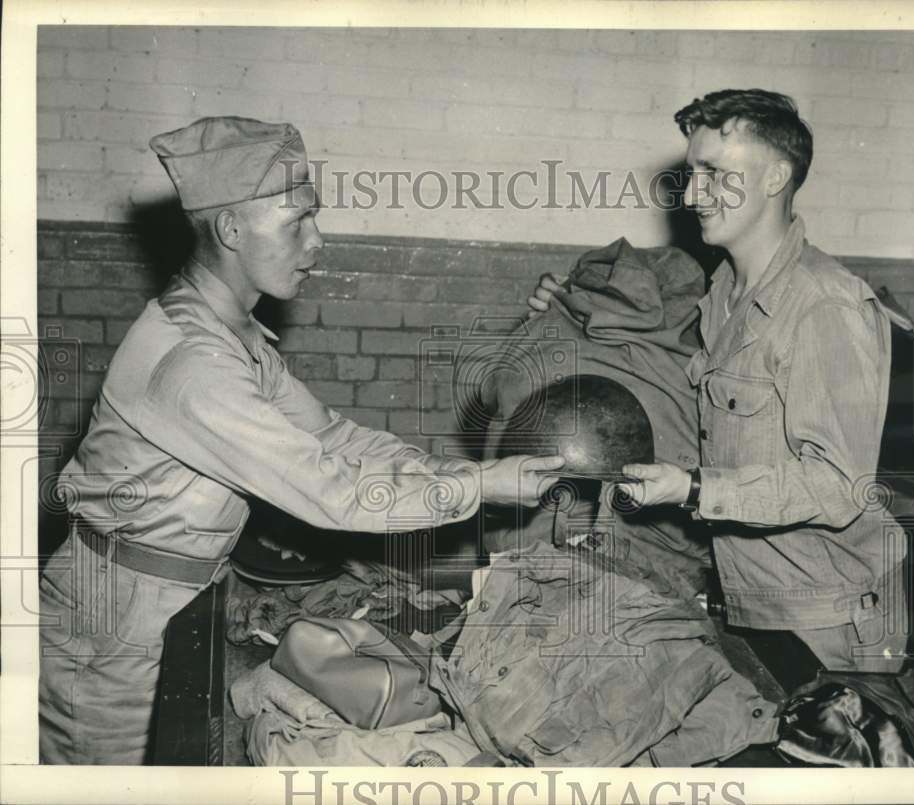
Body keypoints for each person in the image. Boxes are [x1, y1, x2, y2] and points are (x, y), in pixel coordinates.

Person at [38, 116, 563, 765]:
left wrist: (460, 475)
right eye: (297, 222)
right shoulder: (194, 367)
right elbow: (335, 493)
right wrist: (479, 486)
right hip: (112, 623)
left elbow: (332, 437)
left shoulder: (231, 334)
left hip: (167, 600)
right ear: (232, 229)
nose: (316, 242)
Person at [529, 89, 907, 677]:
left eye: (715, 173)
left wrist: (694, 488)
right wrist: (566, 308)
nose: (695, 193)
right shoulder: (722, 295)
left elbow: (838, 485)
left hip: (825, 624)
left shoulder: (822, 306)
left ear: (777, 177)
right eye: (692, 173)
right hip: (751, 602)